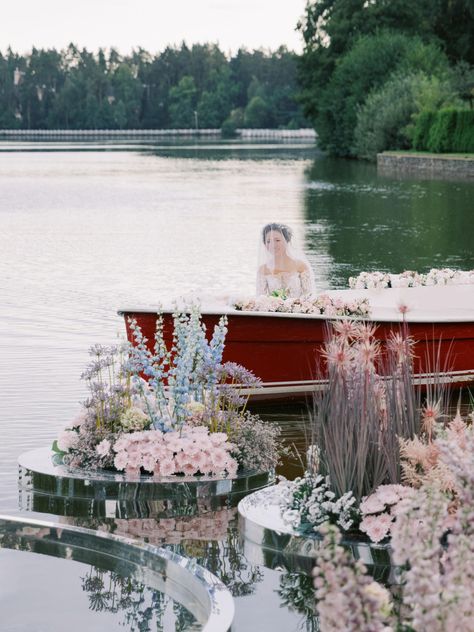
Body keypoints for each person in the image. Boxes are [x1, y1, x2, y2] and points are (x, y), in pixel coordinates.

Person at [256, 222, 315, 298]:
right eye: (268, 241)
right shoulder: (263, 269)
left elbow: (309, 295)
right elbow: (260, 298)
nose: (273, 245)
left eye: (277, 240)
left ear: (287, 241)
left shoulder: (301, 266)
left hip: (298, 308)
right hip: (272, 308)